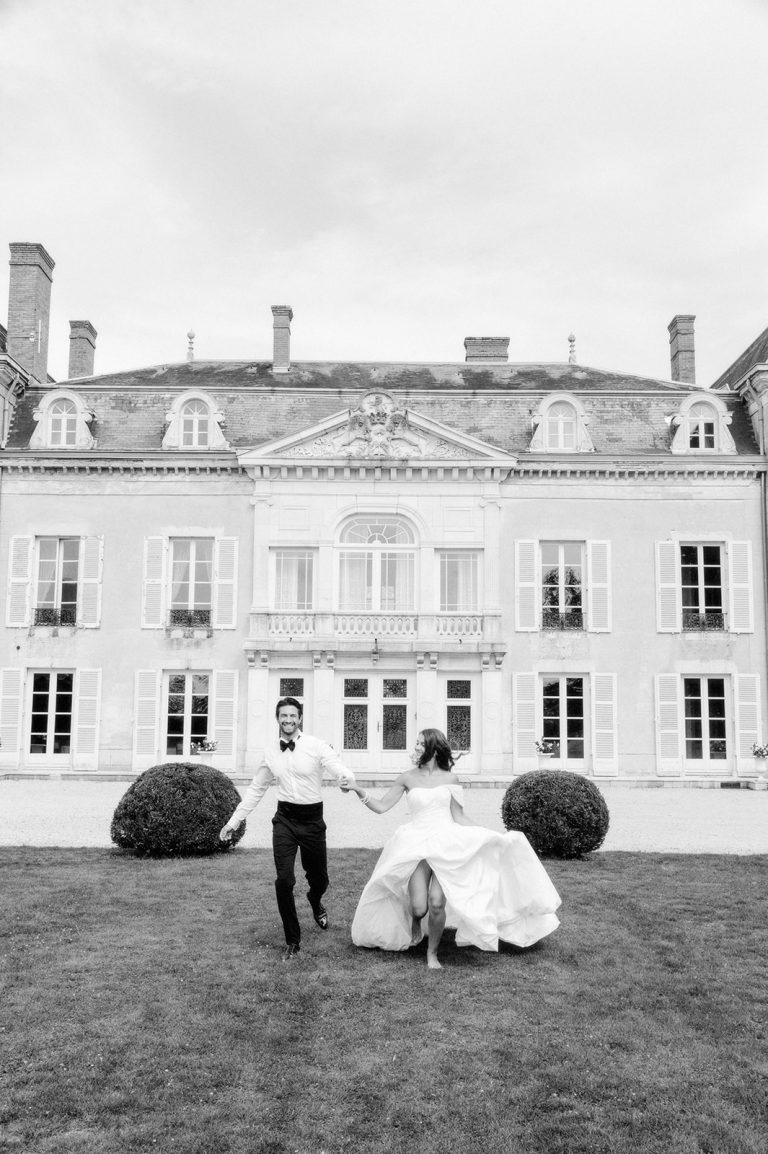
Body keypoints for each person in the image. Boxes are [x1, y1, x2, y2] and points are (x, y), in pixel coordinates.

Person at [344, 728, 561, 970]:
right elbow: (382, 806)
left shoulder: (450, 780)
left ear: (433, 749)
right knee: (419, 906)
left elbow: (459, 816)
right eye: (415, 743)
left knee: (437, 902)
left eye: (419, 743)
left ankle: (432, 954)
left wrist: (490, 836)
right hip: (416, 843)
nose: (414, 747)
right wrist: (358, 790)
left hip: (447, 844)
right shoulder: (406, 777)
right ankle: (416, 922)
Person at [219, 697, 355, 961]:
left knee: (319, 879)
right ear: (278, 718)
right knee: (284, 880)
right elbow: (257, 789)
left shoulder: (316, 746)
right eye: (284, 716)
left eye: (293, 715)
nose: (288, 720)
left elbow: (337, 765)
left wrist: (345, 778)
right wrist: (233, 821)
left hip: (313, 820)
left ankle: (315, 900)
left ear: (300, 718)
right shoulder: (271, 751)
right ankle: (293, 940)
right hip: (285, 820)